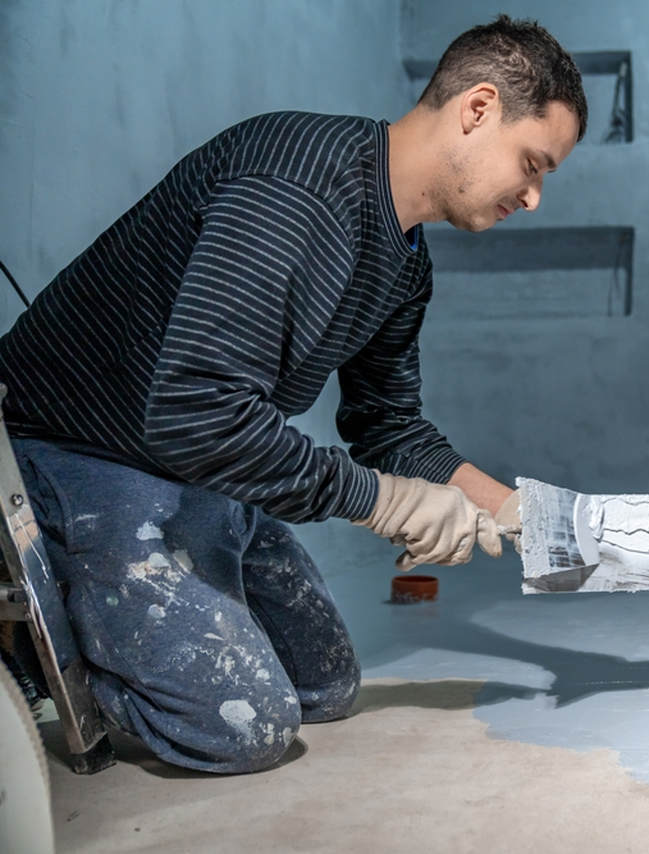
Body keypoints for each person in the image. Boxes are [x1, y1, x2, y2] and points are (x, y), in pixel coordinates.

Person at [0, 15, 587, 773]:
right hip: (77, 449)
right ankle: (44, 635)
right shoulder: (296, 187)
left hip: (195, 468)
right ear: (477, 109)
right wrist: (387, 502)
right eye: (533, 164)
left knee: (327, 687)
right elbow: (197, 411)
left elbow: (388, 425)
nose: (534, 196)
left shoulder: (405, 261)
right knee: (244, 729)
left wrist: (516, 514)